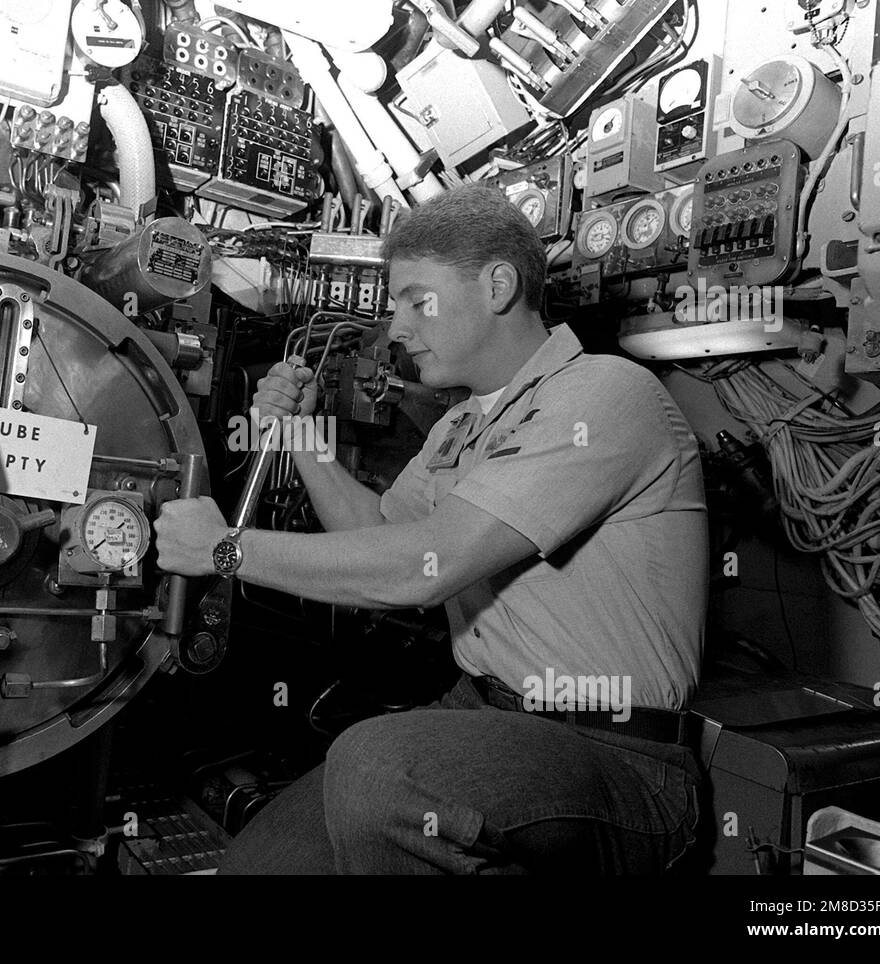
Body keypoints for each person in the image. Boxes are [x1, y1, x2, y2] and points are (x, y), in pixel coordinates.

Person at [155, 183, 709, 874]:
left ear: (499, 285)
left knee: (380, 769)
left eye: (418, 300)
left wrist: (225, 551)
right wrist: (299, 434)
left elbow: (429, 565)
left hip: (620, 756)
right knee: (260, 865)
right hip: (485, 714)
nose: (397, 328)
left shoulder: (603, 395)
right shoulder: (462, 423)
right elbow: (376, 534)